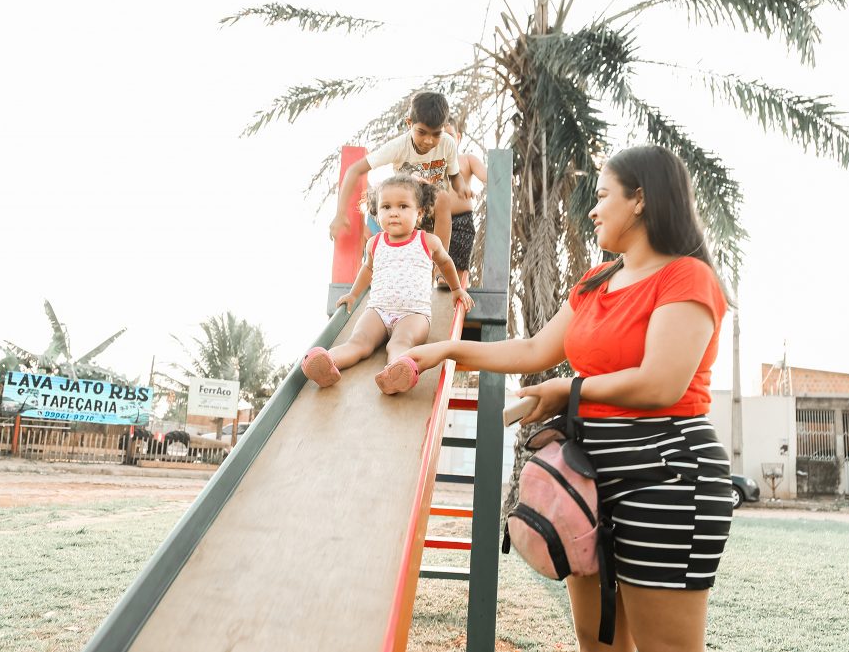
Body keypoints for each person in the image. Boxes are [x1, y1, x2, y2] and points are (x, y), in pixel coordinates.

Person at [403, 145, 733, 652]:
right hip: (586, 474)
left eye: (602, 196)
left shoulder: (687, 277)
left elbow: (661, 382)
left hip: (666, 475)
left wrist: (568, 390)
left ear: (640, 200)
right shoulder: (596, 281)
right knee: (595, 641)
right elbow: (535, 349)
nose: (593, 210)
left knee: (665, 647)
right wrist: (447, 349)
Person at [304, 175, 474, 395]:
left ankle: (398, 372)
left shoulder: (427, 241)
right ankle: (327, 363)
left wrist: (456, 289)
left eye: (403, 206)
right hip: (378, 310)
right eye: (386, 207)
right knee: (359, 341)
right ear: (377, 212)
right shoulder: (375, 243)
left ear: (419, 213)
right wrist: (353, 295)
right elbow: (367, 269)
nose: (394, 212)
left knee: (400, 342)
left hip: (413, 315)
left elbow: (446, 262)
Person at [328, 91, 472, 262]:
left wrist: (461, 187)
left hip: (430, 206)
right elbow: (354, 170)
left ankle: (440, 268)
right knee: (391, 194)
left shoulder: (447, 143)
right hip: (406, 201)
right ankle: (383, 261)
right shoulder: (399, 146)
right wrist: (340, 213)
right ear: (409, 123)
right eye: (422, 132)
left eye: (436, 134)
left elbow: (455, 176)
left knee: (443, 198)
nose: (428, 140)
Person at [442, 118, 488, 287]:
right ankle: (440, 277)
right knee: (437, 248)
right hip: (437, 220)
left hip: (462, 219)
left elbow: (485, 175)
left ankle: (460, 283)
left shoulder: (467, 160)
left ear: (458, 138)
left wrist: (502, 175)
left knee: (461, 250)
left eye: (450, 136)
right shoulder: (431, 163)